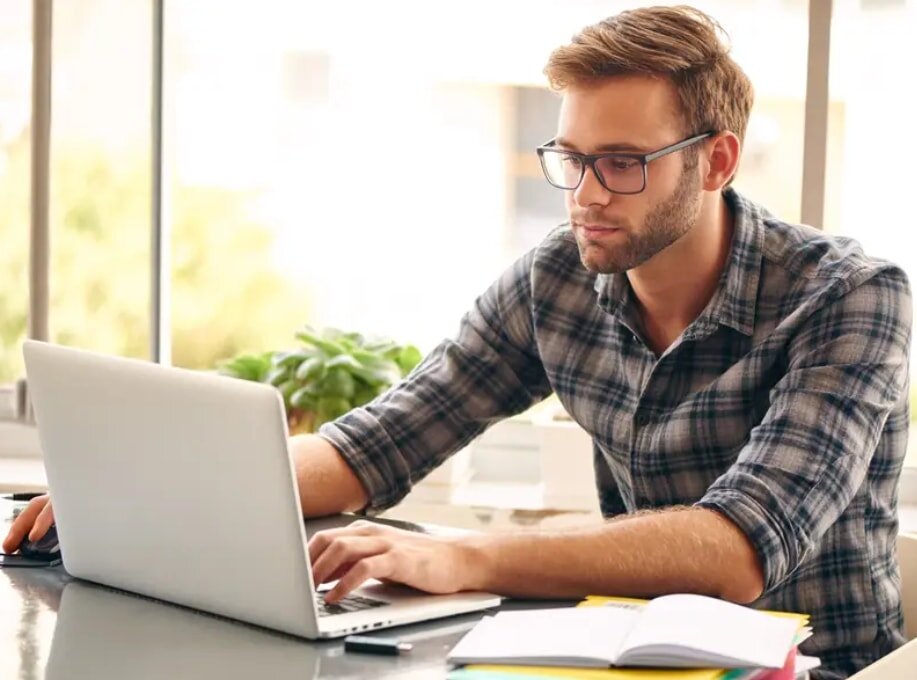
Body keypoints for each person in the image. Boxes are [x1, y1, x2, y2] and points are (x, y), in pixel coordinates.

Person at [4, 6, 911, 678]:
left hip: (819, 665)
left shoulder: (849, 300)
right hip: (629, 656)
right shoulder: (556, 278)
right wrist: (139, 494)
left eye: (622, 163)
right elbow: (377, 443)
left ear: (714, 161)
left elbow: (735, 552)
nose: (585, 193)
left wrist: (459, 555)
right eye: (570, 158)